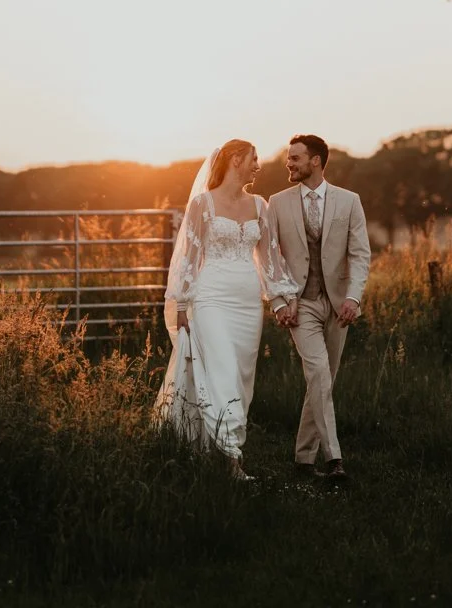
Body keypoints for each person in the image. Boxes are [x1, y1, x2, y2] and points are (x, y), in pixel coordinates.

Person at [155, 139, 298, 478]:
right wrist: (182, 303)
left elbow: (270, 258)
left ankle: (214, 447)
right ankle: (231, 459)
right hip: (210, 298)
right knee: (221, 370)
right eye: (253, 159)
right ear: (236, 160)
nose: (258, 166)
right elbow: (188, 257)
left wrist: (284, 295)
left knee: (240, 379)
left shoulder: (261, 207)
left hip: (247, 303)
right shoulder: (202, 204)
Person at [268, 134, 371, 480]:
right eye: (289, 158)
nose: (289, 163)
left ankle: (302, 460)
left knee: (323, 381)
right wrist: (280, 301)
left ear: (315, 161)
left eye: (295, 158)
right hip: (301, 304)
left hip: (339, 304)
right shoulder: (277, 203)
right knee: (319, 374)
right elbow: (270, 258)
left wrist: (354, 298)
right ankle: (334, 460)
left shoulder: (349, 201)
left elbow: (360, 255)